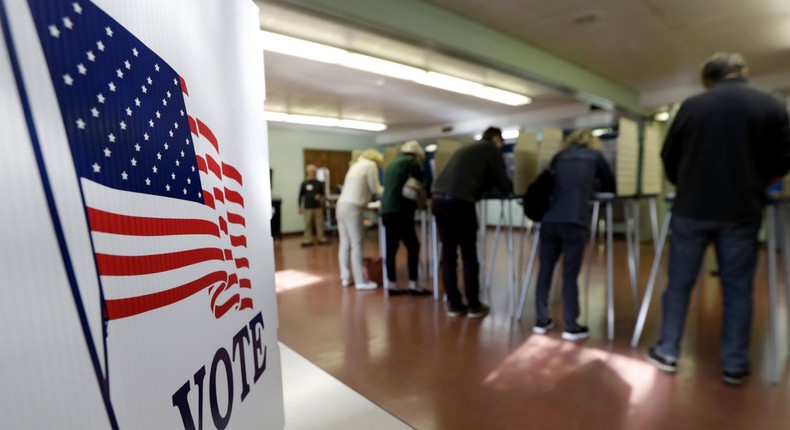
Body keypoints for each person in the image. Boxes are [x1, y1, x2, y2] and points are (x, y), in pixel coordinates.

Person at [647, 52, 790, 386]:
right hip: (741, 211)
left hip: (691, 209)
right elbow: (784, 158)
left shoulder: (692, 106)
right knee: (738, 287)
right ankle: (735, 365)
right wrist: (757, 182)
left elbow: (669, 156)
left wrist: (688, 182)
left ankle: (667, 351)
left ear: (709, 81)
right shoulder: (771, 105)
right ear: (744, 72)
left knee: (680, 283)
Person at [531, 129, 615, 341]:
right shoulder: (596, 157)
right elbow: (610, 185)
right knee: (569, 274)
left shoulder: (559, 157)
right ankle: (571, 325)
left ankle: (541, 320)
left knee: (545, 270)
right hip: (574, 220)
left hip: (549, 220)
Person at [432, 127, 513, 318]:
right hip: (460, 202)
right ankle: (474, 305)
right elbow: (503, 183)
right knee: (468, 254)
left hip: (438, 200)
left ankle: (454, 304)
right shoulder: (490, 149)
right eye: (501, 143)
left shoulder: (466, 149)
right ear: (496, 139)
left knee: (449, 253)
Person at [381, 140, 431, 296]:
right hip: (400, 210)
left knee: (391, 248)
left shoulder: (392, 162)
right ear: (416, 153)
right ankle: (413, 284)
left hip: (386, 210)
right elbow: (419, 183)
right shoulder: (411, 162)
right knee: (413, 246)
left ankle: (392, 284)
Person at [337, 149, 384, 290]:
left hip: (341, 205)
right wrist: (388, 191)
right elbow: (375, 188)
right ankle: (360, 281)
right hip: (353, 207)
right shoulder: (370, 165)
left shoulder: (355, 165)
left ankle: (345, 277)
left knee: (345, 243)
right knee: (357, 243)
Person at [298, 164, 329, 247]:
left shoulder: (318, 183)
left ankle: (321, 239)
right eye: (310, 171)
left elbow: (322, 193)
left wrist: (320, 196)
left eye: (313, 172)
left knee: (320, 224)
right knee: (307, 224)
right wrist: (299, 207)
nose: (311, 173)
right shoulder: (304, 183)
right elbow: (300, 195)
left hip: (318, 206)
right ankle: (307, 240)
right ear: (307, 172)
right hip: (307, 207)